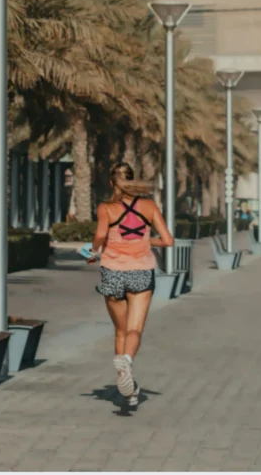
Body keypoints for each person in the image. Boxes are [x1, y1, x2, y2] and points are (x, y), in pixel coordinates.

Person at [88, 162, 174, 407]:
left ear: (112, 182)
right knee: (135, 330)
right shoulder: (148, 206)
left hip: (113, 271)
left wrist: (93, 250)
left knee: (120, 330)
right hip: (141, 272)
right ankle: (127, 360)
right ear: (132, 180)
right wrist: (145, 242)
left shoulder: (106, 208)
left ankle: (126, 386)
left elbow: (101, 236)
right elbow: (168, 240)